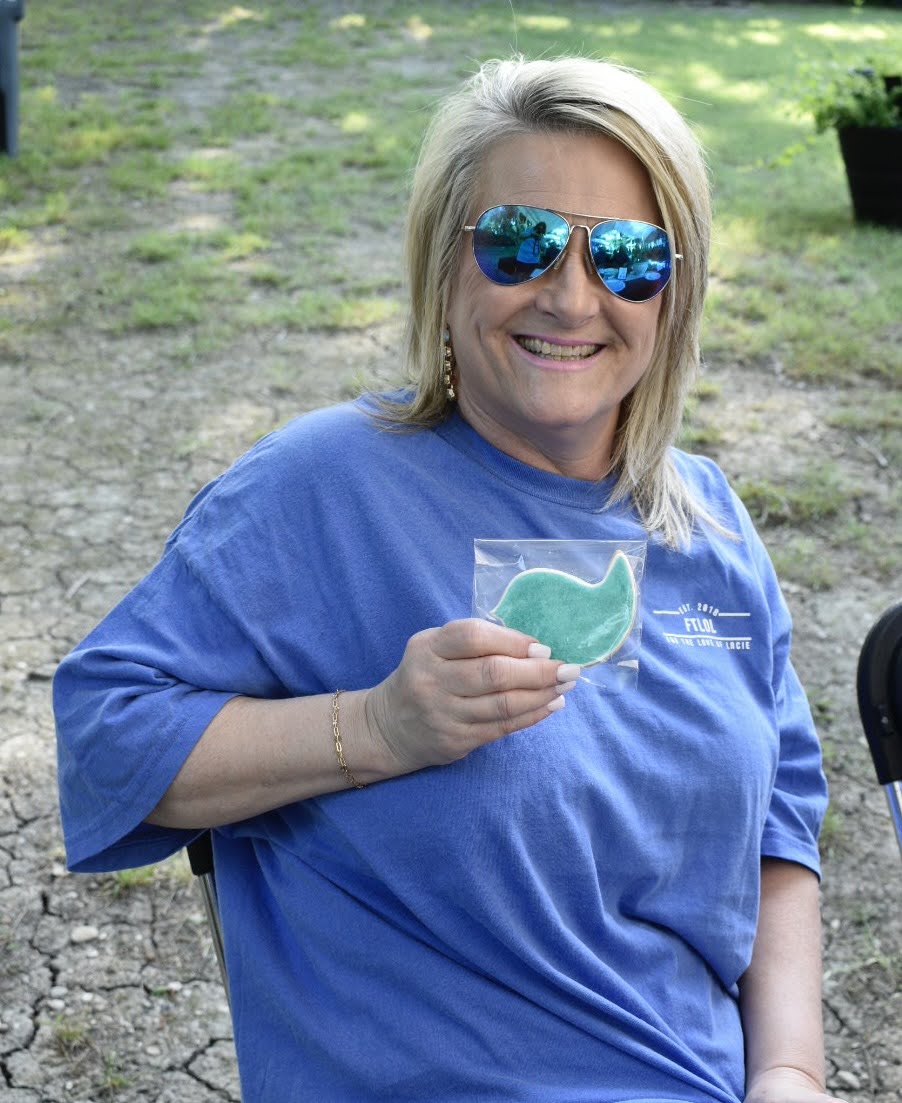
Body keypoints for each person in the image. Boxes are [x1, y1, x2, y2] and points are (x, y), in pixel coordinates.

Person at [53, 56, 844, 1103]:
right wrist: (376, 727)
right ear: (442, 262)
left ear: (674, 292)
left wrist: (788, 1072)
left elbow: (778, 831)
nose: (571, 296)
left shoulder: (706, 522)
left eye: (626, 255)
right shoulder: (317, 488)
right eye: (519, 242)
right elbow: (105, 735)